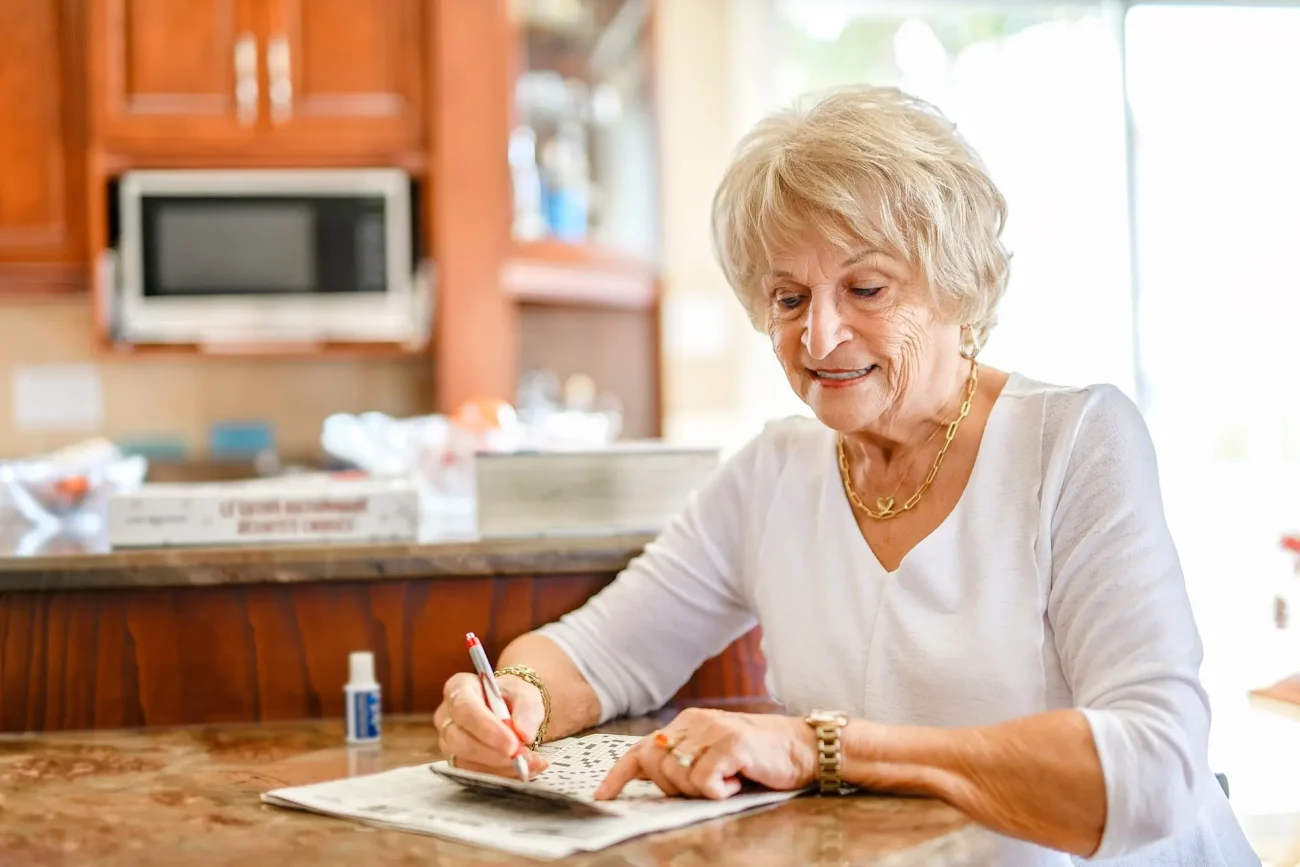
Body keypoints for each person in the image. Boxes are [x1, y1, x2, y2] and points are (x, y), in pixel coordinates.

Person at [433, 85, 1259, 866]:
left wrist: (818, 746)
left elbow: (1158, 764)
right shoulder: (774, 472)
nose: (820, 336)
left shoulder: (1075, 441)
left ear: (955, 285)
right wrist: (515, 696)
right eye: (788, 299)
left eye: (866, 287)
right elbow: (602, 650)